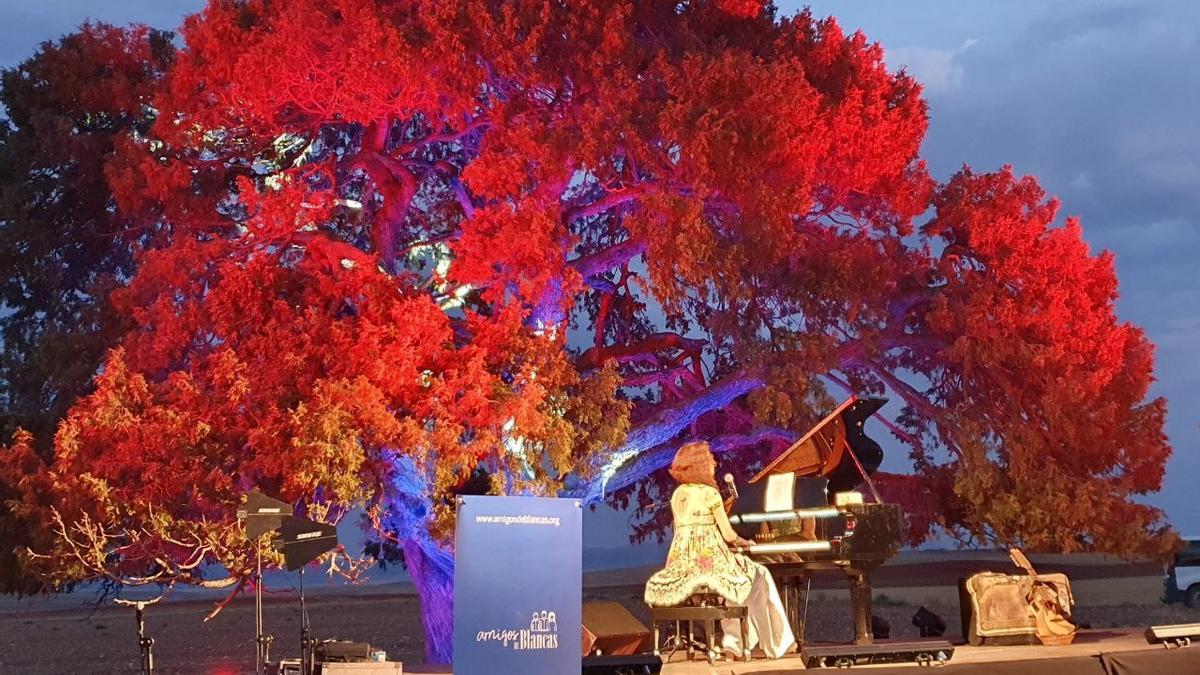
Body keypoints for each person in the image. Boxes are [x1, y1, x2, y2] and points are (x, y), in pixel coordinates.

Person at [644, 441, 797, 660]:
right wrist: (746, 542)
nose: (714, 463)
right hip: (710, 566)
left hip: (681, 566)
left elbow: (685, 530)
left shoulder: (678, 495)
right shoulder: (710, 494)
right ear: (700, 465)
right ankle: (776, 644)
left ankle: (736, 644)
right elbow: (728, 535)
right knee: (759, 575)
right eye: (709, 460)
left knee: (742, 582)